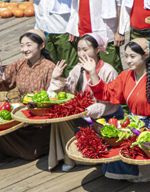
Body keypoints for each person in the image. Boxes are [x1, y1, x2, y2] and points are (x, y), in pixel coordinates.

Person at [85, 36, 150, 182]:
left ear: (145, 56)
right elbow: (106, 92)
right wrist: (93, 72)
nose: (128, 60)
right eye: (126, 56)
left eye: (132, 56)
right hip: (131, 124)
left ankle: (149, 171)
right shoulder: (125, 75)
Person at [48, 33, 120, 171]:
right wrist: (56, 79)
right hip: (83, 116)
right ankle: (68, 158)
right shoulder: (77, 69)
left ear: (97, 49)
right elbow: (68, 93)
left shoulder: (108, 71)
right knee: (58, 119)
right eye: (79, 49)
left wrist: (89, 111)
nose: (81, 53)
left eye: (85, 49)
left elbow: (113, 102)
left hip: (105, 117)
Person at [0, 31, 56, 161]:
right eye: (22, 46)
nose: (25, 49)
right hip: (21, 114)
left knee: (30, 153)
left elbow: (53, 96)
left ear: (41, 45)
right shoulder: (19, 64)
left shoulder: (49, 67)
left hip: (41, 118)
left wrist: (35, 108)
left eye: (29, 45)